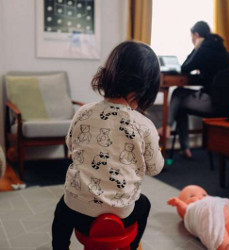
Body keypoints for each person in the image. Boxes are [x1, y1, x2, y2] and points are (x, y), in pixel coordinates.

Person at [52, 40, 165, 250]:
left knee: (62, 208)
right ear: (148, 87)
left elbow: (71, 145)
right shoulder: (145, 126)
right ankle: (131, 246)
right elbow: (155, 168)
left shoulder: (83, 112)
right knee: (144, 204)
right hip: (121, 214)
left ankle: (59, 247)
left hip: (78, 212)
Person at [158, 21, 229, 158]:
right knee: (180, 105)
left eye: (192, 38)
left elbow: (185, 67)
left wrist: (196, 48)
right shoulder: (220, 48)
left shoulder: (205, 48)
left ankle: (168, 127)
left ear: (196, 35)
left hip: (213, 104)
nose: (192, 41)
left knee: (178, 93)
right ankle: (184, 148)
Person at [167, 185, 229, 250]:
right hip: (208, 213)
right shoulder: (193, 208)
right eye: (191, 196)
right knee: (217, 231)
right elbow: (185, 210)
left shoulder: (212, 199)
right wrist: (178, 203)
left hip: (223, 209)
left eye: (204, 194)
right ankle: (226, 245)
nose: (200, 196)